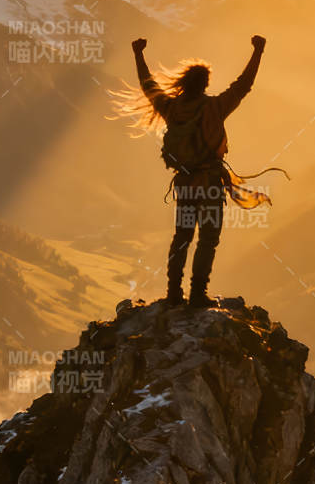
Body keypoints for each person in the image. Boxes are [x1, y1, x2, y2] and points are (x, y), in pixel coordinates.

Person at [114, 36, 270, 307]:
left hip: (185, 185)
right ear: (206, 84)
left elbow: (148, 85)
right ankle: (198, 293)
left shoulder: (172, 109)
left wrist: (138, 54)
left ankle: (174, 293)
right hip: (209, 185)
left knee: (182, 237)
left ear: (183, 83)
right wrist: (258, 51)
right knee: (208, 238)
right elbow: (244, 85)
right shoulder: (215, 108)